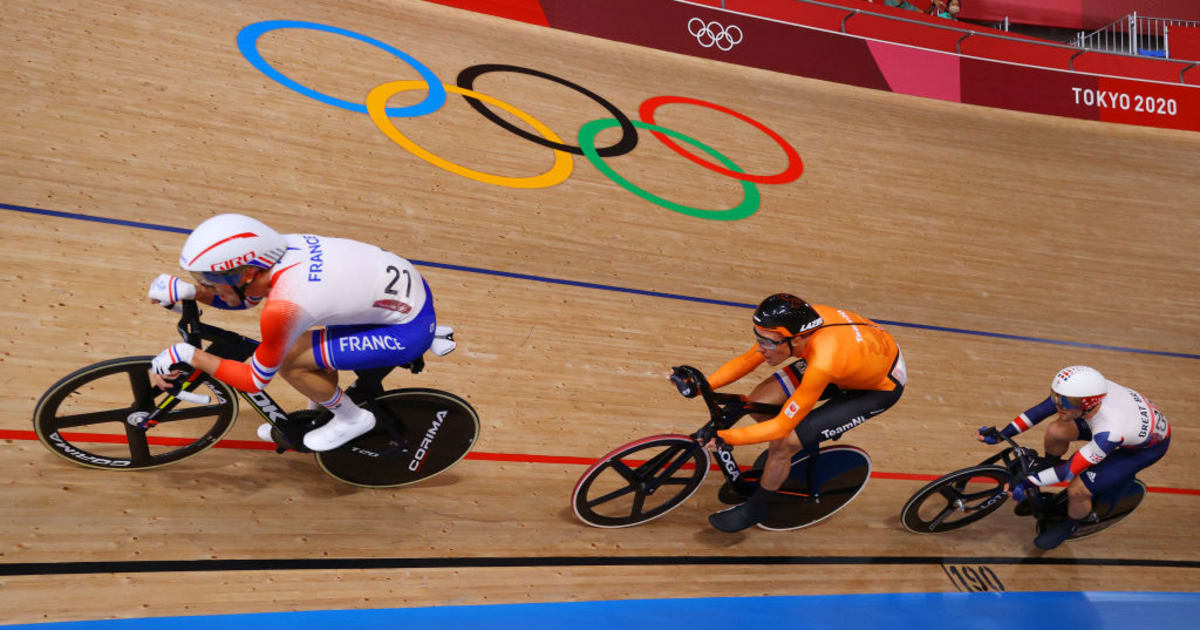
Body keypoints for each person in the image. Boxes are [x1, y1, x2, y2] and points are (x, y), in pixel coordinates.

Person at [146, 213, 455, 452]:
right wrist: (193, 291)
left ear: (249, 271)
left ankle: (352, 419)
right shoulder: (279, 249)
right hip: (397, 294)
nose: (208, 284)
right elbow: (245, 296)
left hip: (406, 328)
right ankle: (320, 416)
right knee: (307, 348)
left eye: (212, 278)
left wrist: (189, 354)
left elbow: (253, 380)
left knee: (291, 360)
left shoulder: (286, 305)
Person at [684, 294, 907, 532]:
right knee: (759, 401)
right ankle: (804, 439)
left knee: (784, 442)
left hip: (877, 387)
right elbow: (749, 359)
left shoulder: (824, 360)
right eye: (758, 337)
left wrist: (727, 438)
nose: (761, 348)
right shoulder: (793, 326)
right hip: (855, 359)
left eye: (768, 343)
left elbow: (781, 427)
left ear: (797, 339)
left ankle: (756, 507)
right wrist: (701, 386)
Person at [977, 366, 1170, 550]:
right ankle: (1048, 465)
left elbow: (1069, 471)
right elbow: (1039, 411)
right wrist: (1003, 433)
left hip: (1142, 449)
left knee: (1078, 490)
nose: (1059, 405)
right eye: (1057, 397)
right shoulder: (1078, 393)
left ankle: (1071, 523)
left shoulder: (1110, 430)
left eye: (1066, 402)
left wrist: (1026, 483)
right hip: (1125, 421)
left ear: (1087, 404)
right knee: (1056, 430)